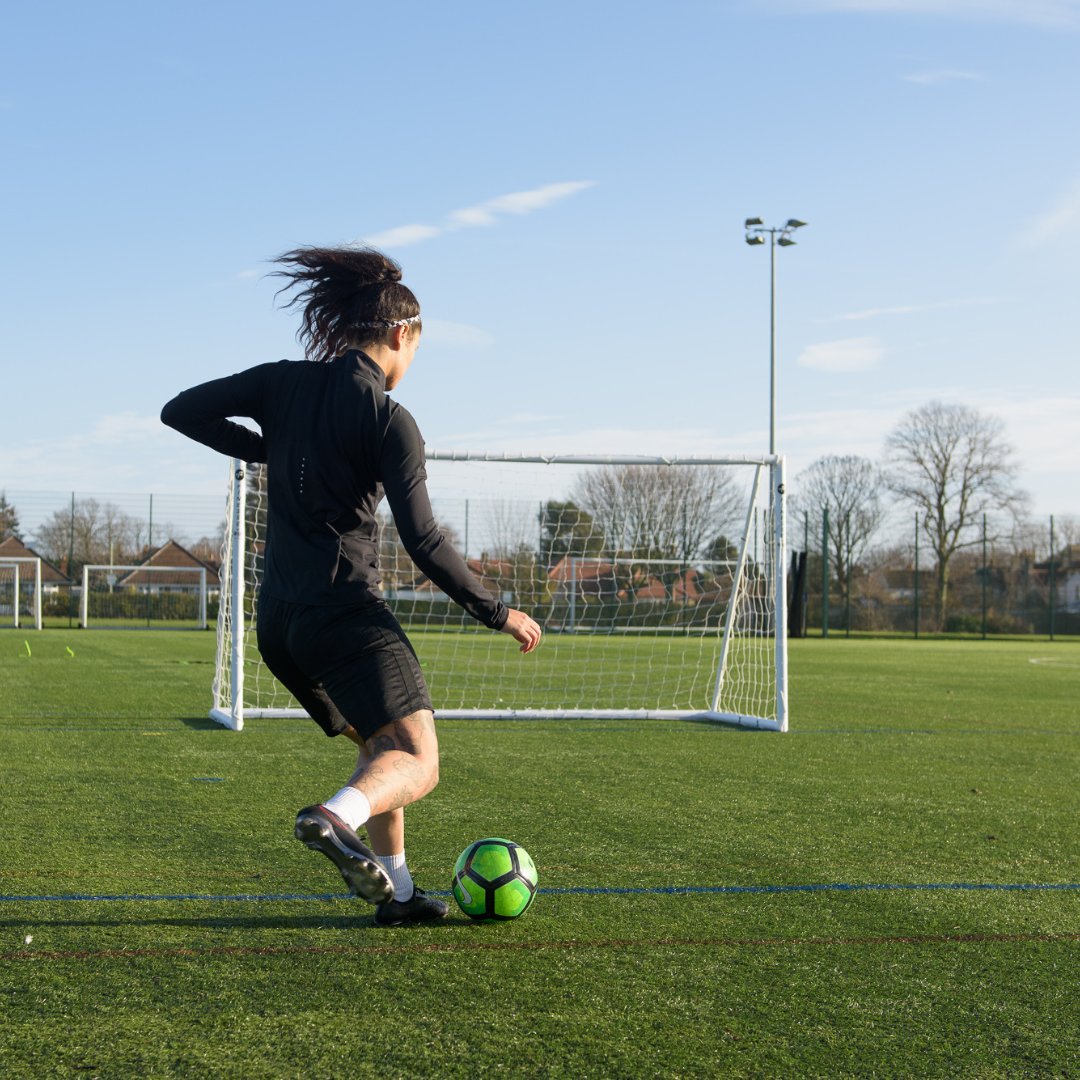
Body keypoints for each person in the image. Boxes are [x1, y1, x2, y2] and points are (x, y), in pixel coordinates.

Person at [161, 246, 542, 926]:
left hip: (279, 624)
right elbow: (423, 542)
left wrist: (262, 448)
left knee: (381, 747)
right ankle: (333, 818)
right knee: (418, 762)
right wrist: (499, 612)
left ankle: (395, 894)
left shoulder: (282, 384)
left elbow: (180, 409)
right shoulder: (390, 420)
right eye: (417, 350)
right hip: (343, 615)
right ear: (401, 334)